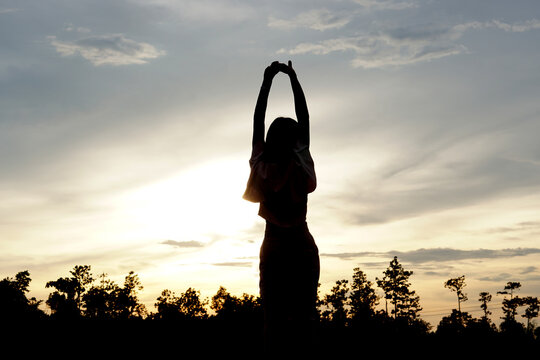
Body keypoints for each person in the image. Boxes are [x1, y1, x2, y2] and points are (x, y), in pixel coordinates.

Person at [243, 61, 320, 355]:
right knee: (305, 317)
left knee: (272, 319)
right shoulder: (300, 160)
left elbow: (257, 120)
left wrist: (267, 82)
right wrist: (293, 79)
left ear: (271, 139)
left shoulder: (260, 162)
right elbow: (305, 116)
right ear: (295, 140)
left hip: (274, 244)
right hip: (300, 243)